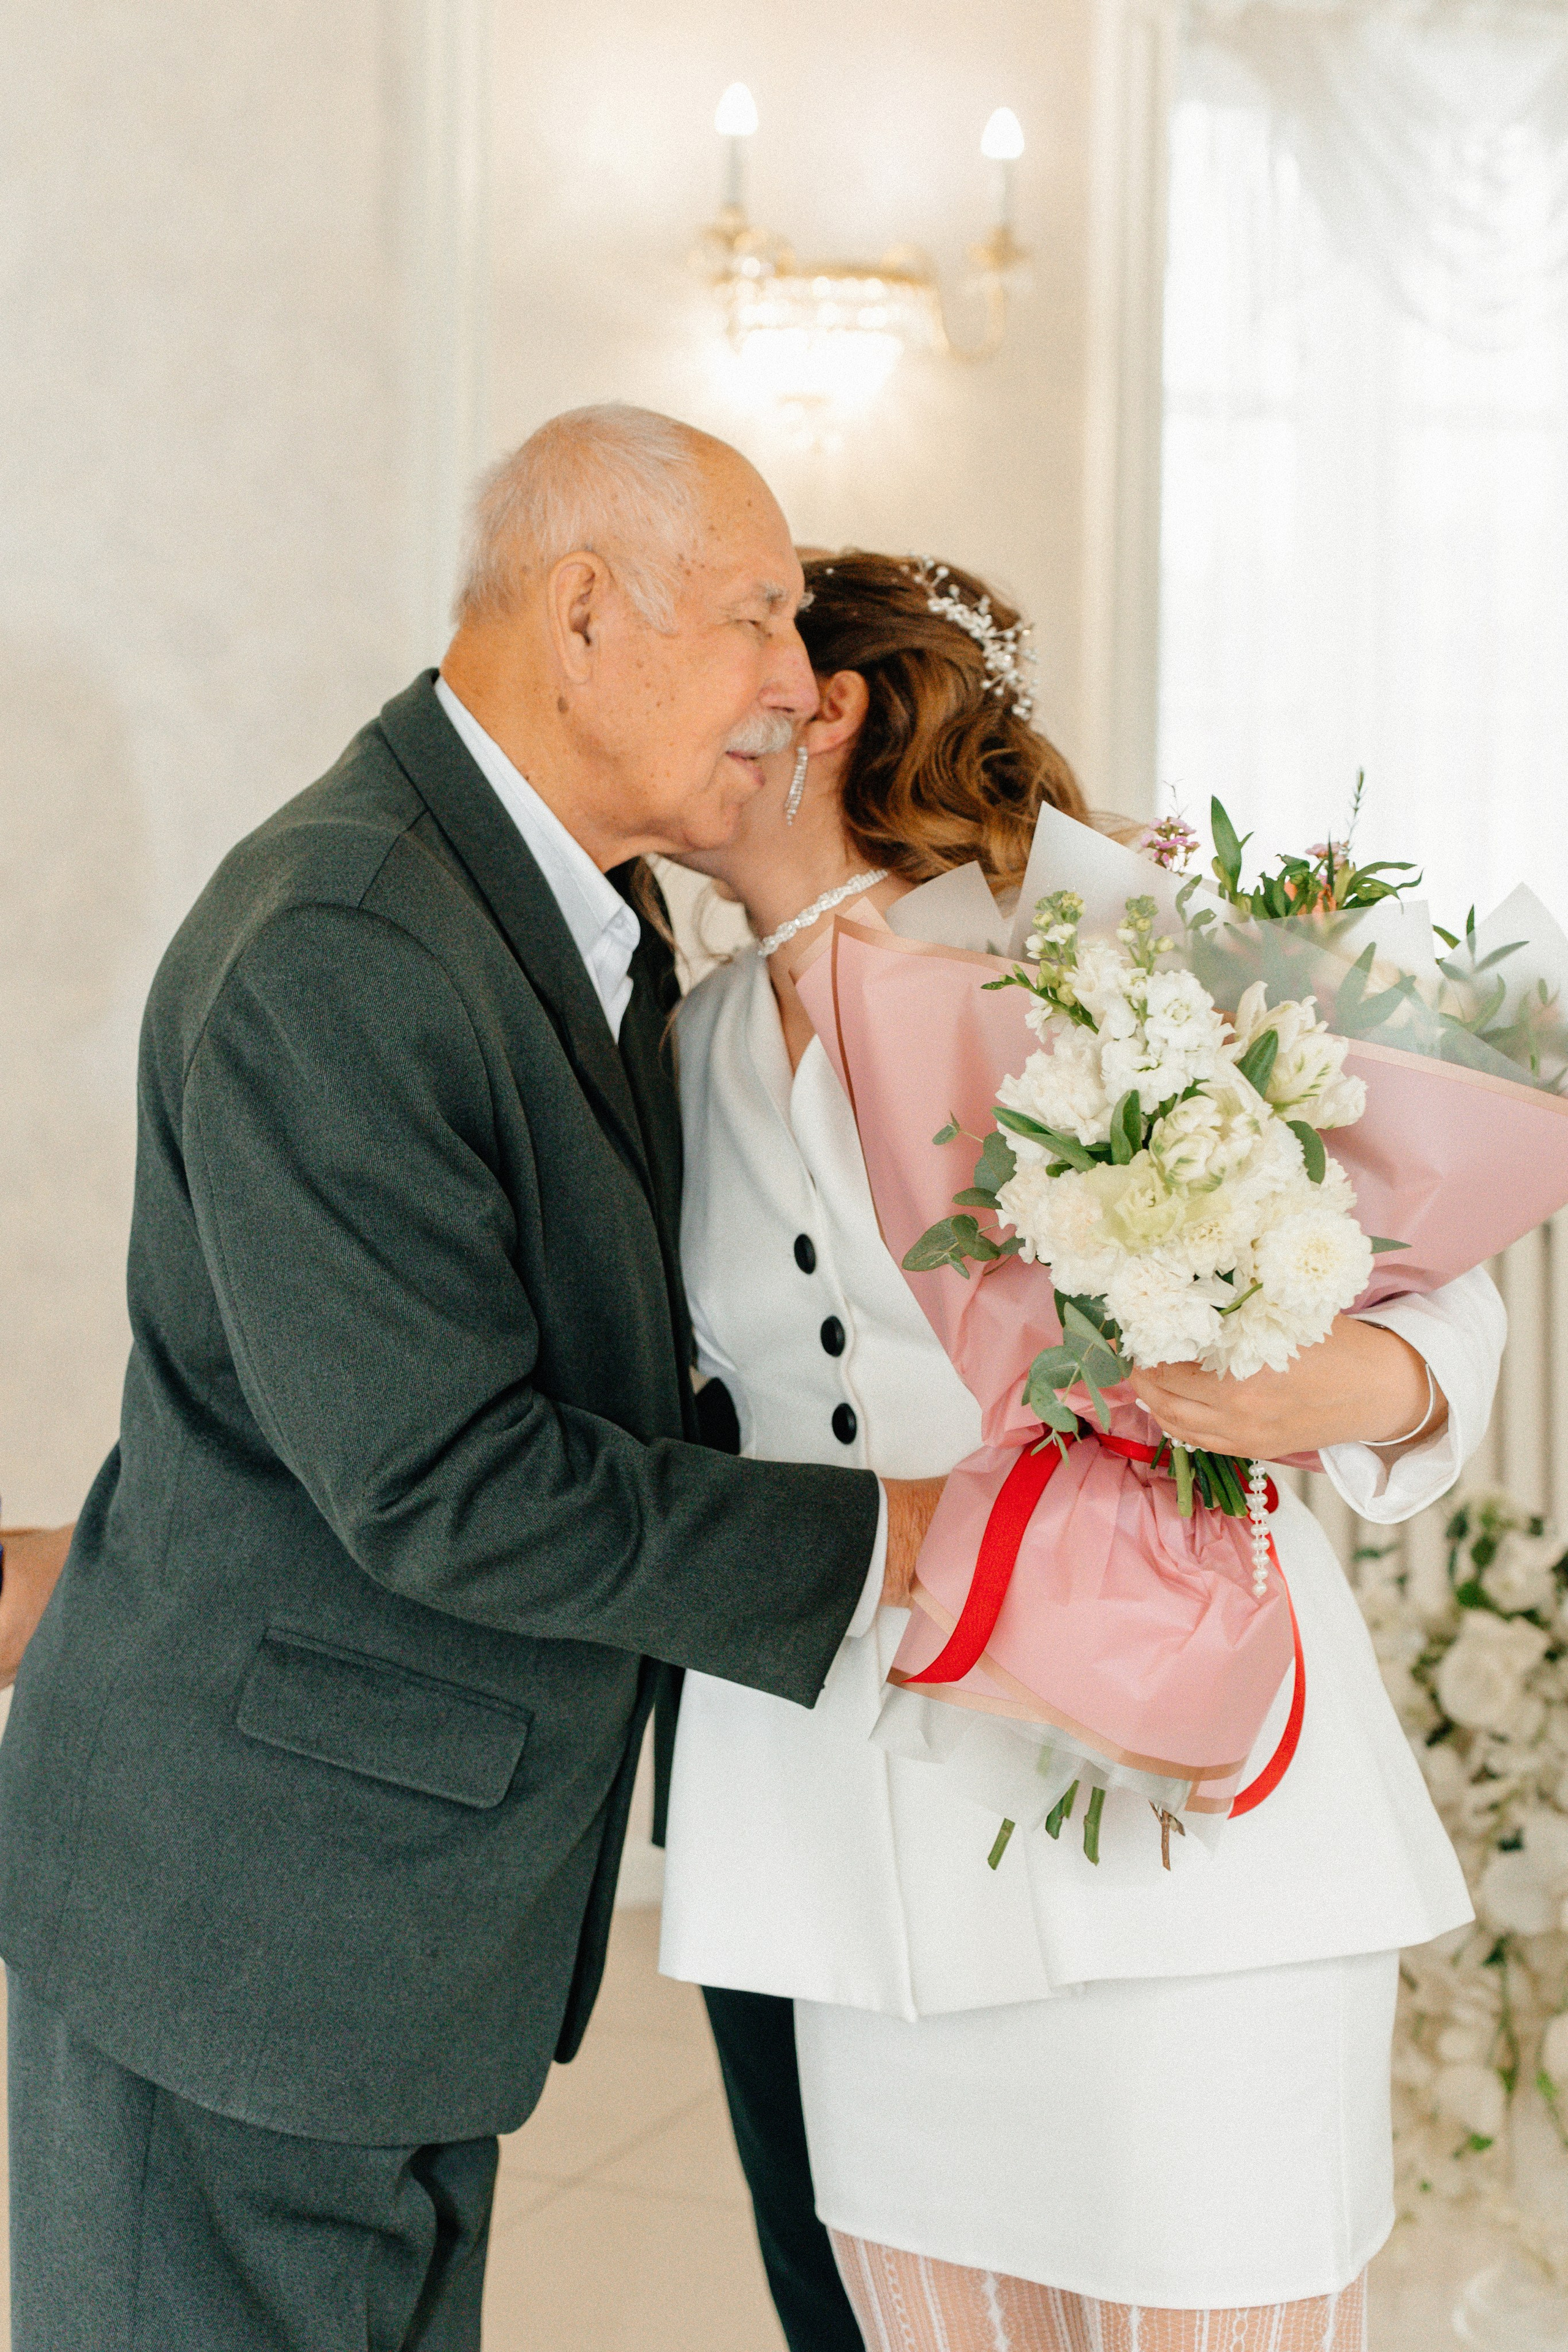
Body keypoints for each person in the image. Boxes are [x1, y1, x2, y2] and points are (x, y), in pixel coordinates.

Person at [0, 414, 945, 2351]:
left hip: (394, 1933)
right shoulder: (351, 938)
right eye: (758, 614)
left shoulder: (566, 920)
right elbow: (444, 1477)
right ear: (584, 615)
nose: (798, 678)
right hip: (256, 1932)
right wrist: (884, 1543)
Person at [661, 548, 1505, 2352]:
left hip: (1186, 1843)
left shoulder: (1102, 933)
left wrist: (1333, 1388)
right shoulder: (677, 1051)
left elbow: (1437, 1285)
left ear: (835, 709)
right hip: (860, 1868)